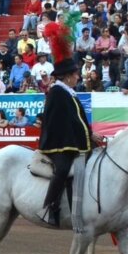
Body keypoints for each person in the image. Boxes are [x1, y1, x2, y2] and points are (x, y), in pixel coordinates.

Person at [38, 20, 92, 228]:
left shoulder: (67, 92)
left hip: (71, 143)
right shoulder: (57, 92)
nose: (78, 76)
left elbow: (78, 120)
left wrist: (90, 134)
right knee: (62, 169)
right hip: (57, 144)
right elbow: (58, 122)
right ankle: (51, 207)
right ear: (67, 76)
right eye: (76, 74)